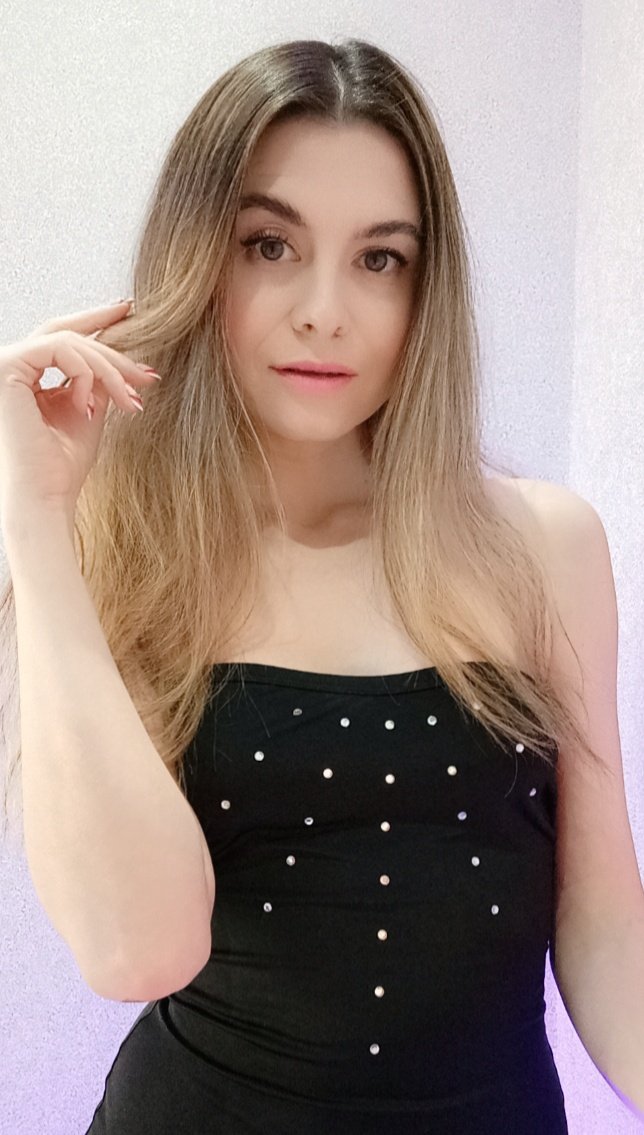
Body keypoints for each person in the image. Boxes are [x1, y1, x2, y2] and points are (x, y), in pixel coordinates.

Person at [4, 35, 611, 1134]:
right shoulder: (118, 549)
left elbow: (603, 918)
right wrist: (36, 523)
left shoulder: (543, 546)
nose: (325, 309)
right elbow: (136, 950)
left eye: (379, 258)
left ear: (426, 285)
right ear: (201, 257)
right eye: (270, 245)